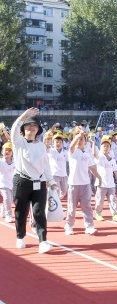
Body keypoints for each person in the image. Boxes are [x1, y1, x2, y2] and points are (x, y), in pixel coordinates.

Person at [10, 108, 56, 253]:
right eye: (28, 126)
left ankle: (43, 241)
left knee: (39, 212)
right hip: (22, 181)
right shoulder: (19, 142)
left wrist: (51, 180)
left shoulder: (41, 146)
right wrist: (24, 116)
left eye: (34, 126)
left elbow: (46, 165)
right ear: (23, 130)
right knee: (21, 212)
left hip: (39, 182)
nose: (31, 128)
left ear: (38, 130)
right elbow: (14, 129)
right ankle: (20, 236)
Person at [65, 130, 101, 235]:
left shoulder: (87, 154)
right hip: (73, 184)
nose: (80, 141)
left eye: (82, 139)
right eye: (78, 139)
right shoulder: (72, 152)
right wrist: (78, 136)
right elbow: (71, 146)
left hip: (85, 184)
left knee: (87, 207)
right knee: (72, 207)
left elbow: (92, 168)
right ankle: (69, 225)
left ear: (85, 141)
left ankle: (89, 226)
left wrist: (99, 177)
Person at [94, 135, 117, 222]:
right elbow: (94, 155)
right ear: (101, 147)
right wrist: (92, 143)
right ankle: (98, 213)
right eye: (104, 146)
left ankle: (115, 214)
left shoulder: (112, 159)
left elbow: (116, 171)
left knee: (112, 199)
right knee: (100, 200)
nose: (105, 147)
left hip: (111, 183)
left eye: (107, 146)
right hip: (101, 183)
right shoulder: (99, 157)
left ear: (110, 147)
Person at [47, 132, 68, 199]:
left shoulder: (65, 152)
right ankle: (57, 206)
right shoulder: (51, 151)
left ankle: (57, 202)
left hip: (64, 175)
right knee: (56, 191)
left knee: (64, 191)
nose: (58, 144)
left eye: (60, 142)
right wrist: (48, 137)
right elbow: (46, 146)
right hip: (55, 175)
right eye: (56, 142)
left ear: (62, 143)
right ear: (53, 143)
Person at [0, 142, 16, 223]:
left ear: (12, 152)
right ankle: (8, 215)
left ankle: (3, 207)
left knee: (13, 200)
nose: (7, 152)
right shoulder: (1, 162)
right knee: (7, 199)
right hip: (3, 185)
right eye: (6, 150)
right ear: (2, 151)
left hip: (13, 184)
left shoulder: (15, 161)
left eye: (9, 150)